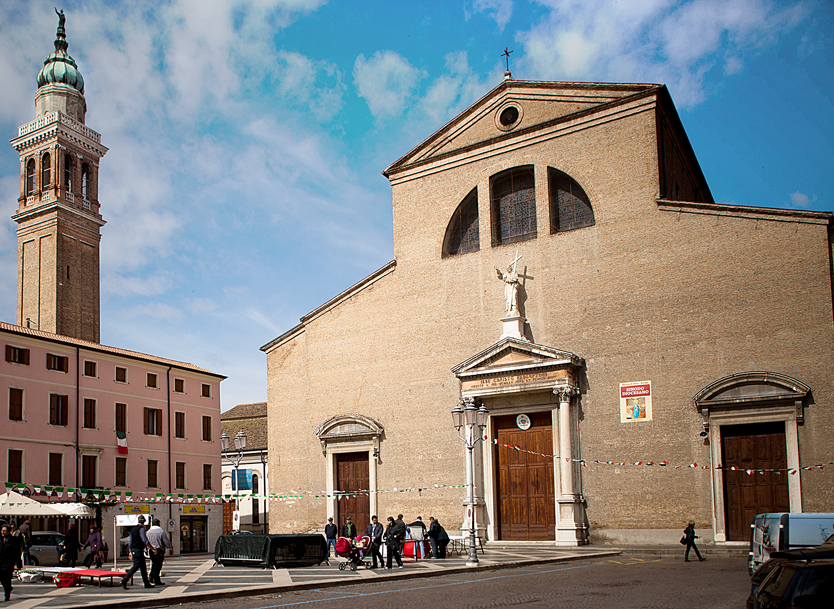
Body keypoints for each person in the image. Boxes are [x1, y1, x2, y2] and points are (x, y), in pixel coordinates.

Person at [120, 515, 154, 589]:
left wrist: (130, 551)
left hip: (134, 550)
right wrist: (151, 548)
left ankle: (146, 583)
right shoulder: (141, 529)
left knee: (143, 567)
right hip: (138, 550)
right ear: (144, 522)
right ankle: (124, 580)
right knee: (135, 566)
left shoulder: (133, 529)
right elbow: (144, 540)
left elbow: (130, 542)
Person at [147, 519, 173, 586]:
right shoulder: (161, 531)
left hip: (151, 550)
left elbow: (146, 542)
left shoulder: (148, 532)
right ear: (158, 524)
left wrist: (145, 549)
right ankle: (157, 580)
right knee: (158, 566)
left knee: (153, 564)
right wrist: (170, 548)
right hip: (159, 551)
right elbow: (166, 541)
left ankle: (151, 576)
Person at [0, 525, 22, 601]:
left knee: (6, 579)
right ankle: (8, 588)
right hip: (0, 563)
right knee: (2, 580)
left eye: (5, 531)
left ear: (9, 532)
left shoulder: (13, 540)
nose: (3, 532)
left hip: (8, 563)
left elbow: (16, 553)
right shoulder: (0, 540)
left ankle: (7, 594)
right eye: (2, 530)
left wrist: (18, 564)